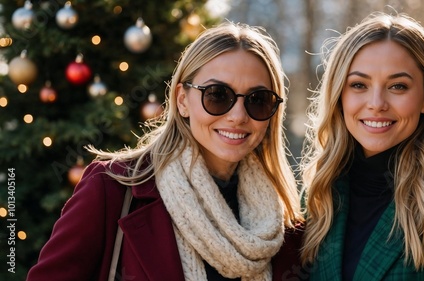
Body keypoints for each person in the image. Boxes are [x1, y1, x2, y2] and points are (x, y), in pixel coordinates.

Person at [27, 21, 305, 281]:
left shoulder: (282, 226)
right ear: (182, 100)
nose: (238, 116)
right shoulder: (111, 189)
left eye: (258, 100)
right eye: (218, 95)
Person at [300, 12, 424, 280]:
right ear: (339, 96)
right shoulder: (319, 197)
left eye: (398, 86)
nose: (376, 103)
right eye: (359, 84)